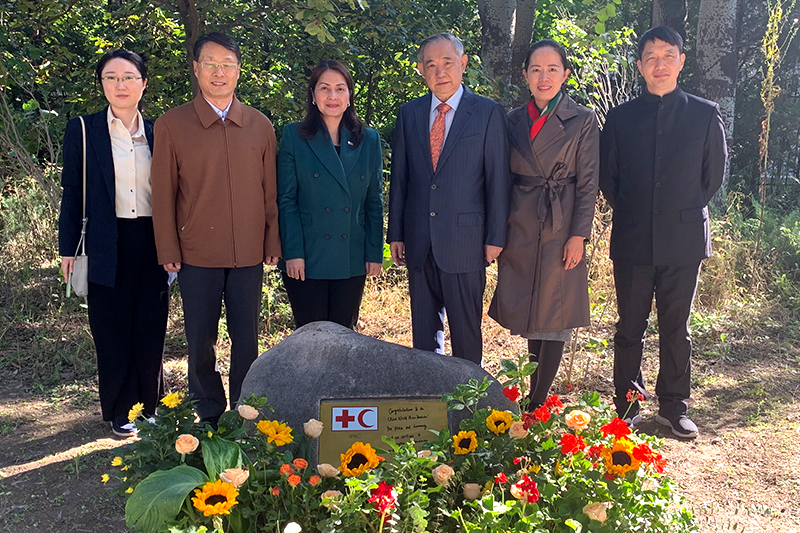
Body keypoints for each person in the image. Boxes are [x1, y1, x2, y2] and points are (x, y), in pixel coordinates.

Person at [599, 26, 727, 438]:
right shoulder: (620, 119)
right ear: (640, 66)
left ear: (681, 61)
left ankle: (674, 406)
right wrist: (640, 212)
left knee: (677, 329)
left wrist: (678, 211)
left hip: (684, 239)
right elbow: (609, 179)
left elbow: (713, 178)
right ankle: (628, 407)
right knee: (629, 327)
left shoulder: (704, 114)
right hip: (634, 237)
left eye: (667, 55)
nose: (659, 64)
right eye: (651, 56)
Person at [150, 32, 281, 428]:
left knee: (247, 338)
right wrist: (167, 247)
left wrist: (271, 240)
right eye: (210, 63)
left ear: (239, 70)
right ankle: (207, 408)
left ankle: (244, 408)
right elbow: (163, 194)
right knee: (200, 338)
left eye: (227, 64)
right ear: (196, 68)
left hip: (247, 253)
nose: (219, 72)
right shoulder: (172, 124)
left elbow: (270, 192)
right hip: (196, 252)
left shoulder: (259, 125)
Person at [58, 50, 169, 438]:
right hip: (105, 238)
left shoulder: (159, 132)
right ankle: (122, 411)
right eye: (111, 77)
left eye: (128, 77)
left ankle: (151, 407)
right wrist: (67, 249)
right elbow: (72, 192)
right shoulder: (84, 130)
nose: (120, 85)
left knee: (150, 326)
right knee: (110, 327)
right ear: (102, 84)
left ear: (143, 83)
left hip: (152, 240)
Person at [387, 33, 510, 365]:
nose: (440, 72)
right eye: (431, 65)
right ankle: (430, 404)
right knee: (424, 338)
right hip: (418, 240)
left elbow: (499, 179)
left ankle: (471, 406)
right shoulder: (409, 114)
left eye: (447, 63)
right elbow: (400, 178)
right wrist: (395, 233)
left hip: (467, 241)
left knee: (466, 333)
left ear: (463, 64)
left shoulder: (487, 113)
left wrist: (495, 236)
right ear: (420, 70)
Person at [488, 40, 599, 409]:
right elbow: (498, 177)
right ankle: (533, 394)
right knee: (531, 311)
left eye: (553, 69)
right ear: (525, 76)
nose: (544, 76)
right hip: (519, 221)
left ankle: (537, 402)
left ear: (566, 74)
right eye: (536, 69)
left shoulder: (582, 119)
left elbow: (588, 183)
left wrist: (579, 235)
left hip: (560, 221)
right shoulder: (512, 119)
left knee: (556, 311)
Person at [277, 60, 383, 329]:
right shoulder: (294, 136)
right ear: (313, 95)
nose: (332, 96)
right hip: (307, 257)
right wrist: (293, 253)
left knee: (344, 340)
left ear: (349, 96)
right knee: (310, 339)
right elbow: (287, 201)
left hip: (351, 257)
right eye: (324, 88)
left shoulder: (368, 139)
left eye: (340, 89)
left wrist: (374, 253)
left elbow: (373, 201)